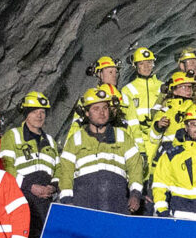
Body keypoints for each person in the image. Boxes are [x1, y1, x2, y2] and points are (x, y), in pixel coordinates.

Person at [58, 85, 146, 213]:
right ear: (87, 113)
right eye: (96, 109)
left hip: (117, 204)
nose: (102, 112)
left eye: (105, 108)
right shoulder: (76, 139)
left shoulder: (122, 137)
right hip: (84, 204)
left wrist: (135, 194)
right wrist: (67, 201)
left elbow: (136, 168)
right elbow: (65, 173)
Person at [0, 92, 60, 238]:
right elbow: (5, 166)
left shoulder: (51, 141)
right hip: (21, 195)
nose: (39, 116)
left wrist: (53, 187)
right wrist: (29, 186)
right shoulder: (12, 136)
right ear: (26, 113)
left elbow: (58, 168)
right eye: (34, 112)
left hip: (45, 199)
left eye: (42, 112)